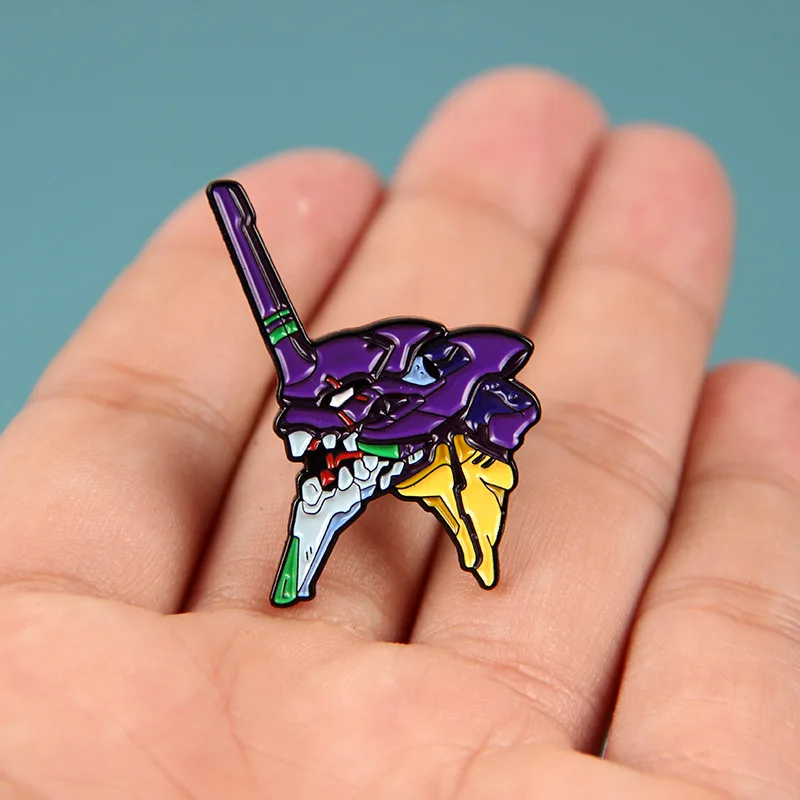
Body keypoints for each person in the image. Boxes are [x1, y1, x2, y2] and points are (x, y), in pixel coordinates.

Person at [0, 67, 796, 799]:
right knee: (313, 525)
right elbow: (325, 394)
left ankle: (445, 553)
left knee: (474, 521)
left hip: (418, 456)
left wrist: (363, 423)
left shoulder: (463, 387)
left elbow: (426, 418)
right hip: (347, 458)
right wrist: (317, 412)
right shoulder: (383, 352)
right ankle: (295, 584)